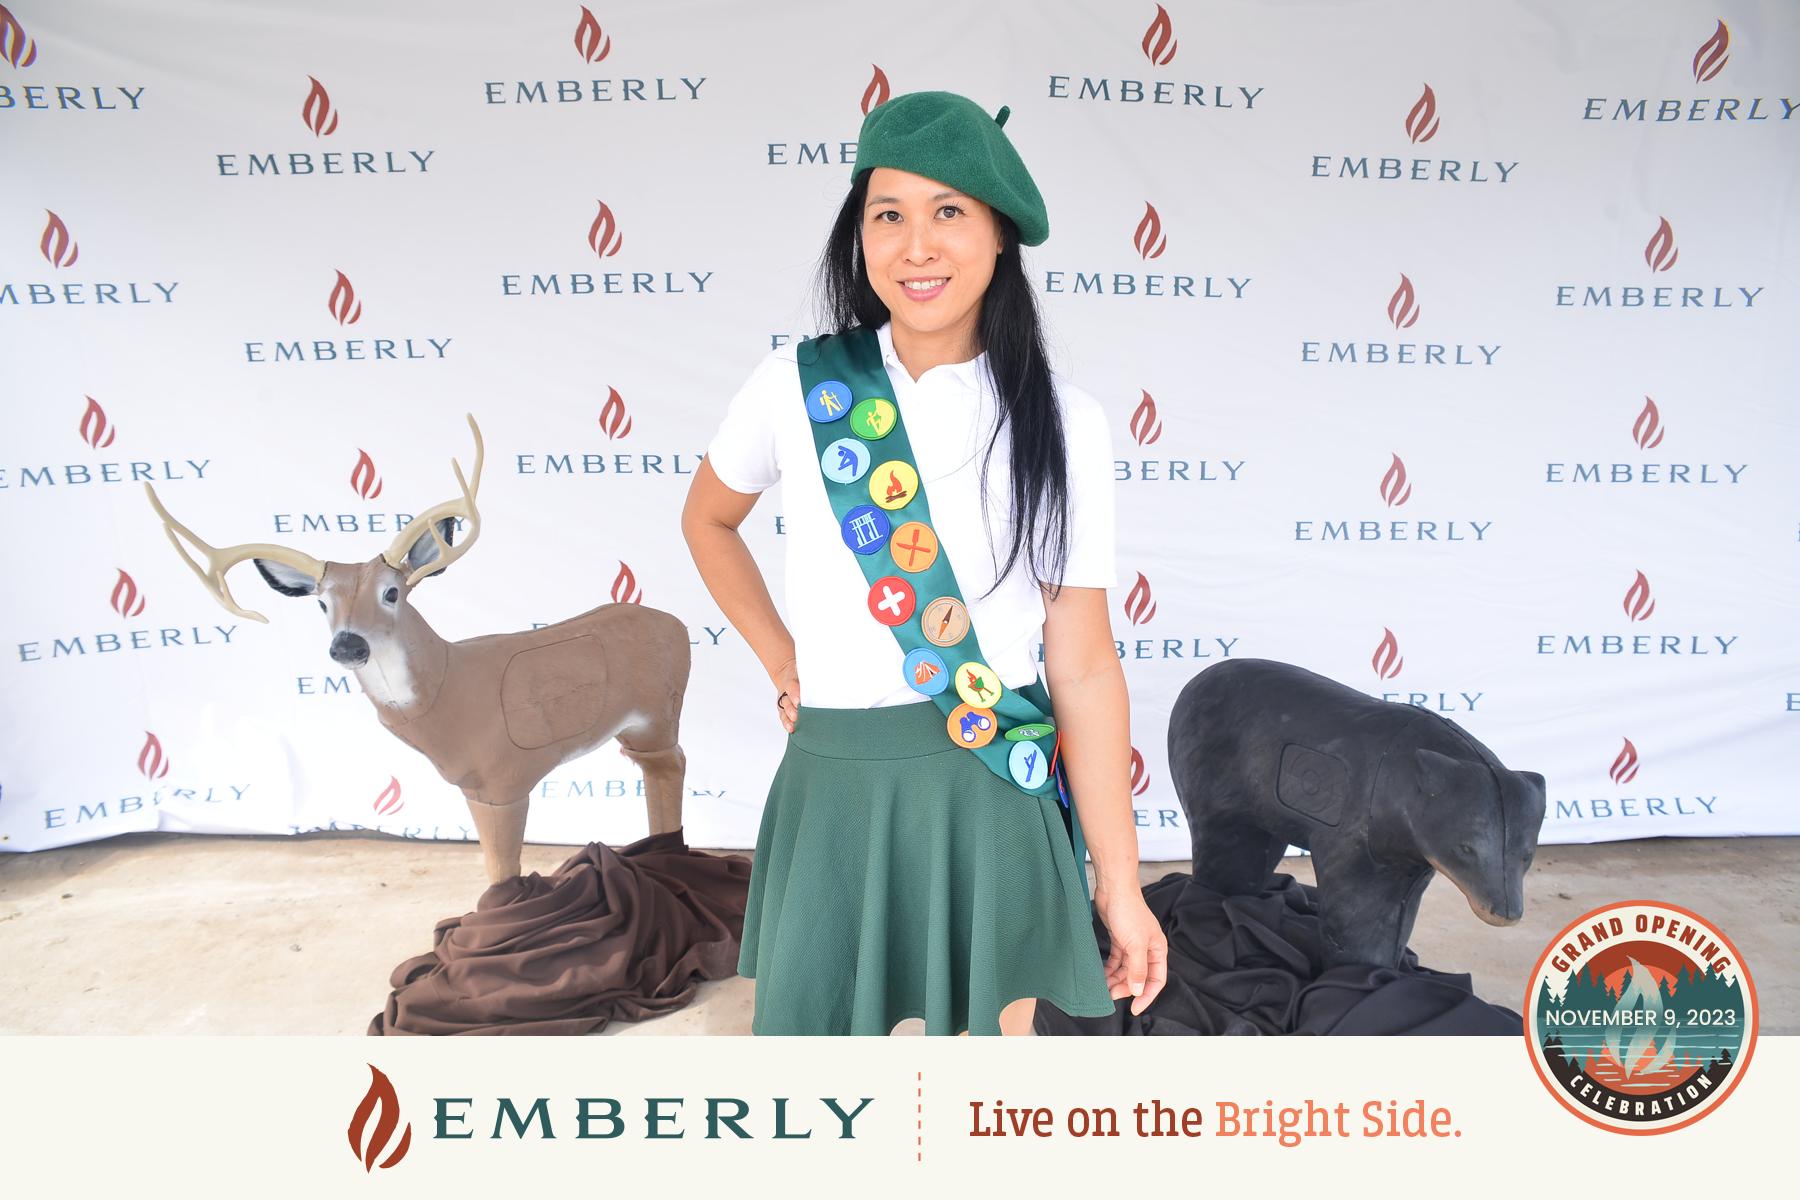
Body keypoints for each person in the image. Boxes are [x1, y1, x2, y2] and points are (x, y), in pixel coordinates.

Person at [682, 90, 1167, 1036]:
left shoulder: (1063, 420)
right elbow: (708, 519)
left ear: (998, 238)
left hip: (990, 791)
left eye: (949, 213)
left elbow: (1082, 662)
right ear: (858, 237)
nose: (917, 245)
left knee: (989, 1087)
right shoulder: (798, 385)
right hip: (833, 787)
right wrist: (786, 663)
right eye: (888, 215)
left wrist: (1122, 882)